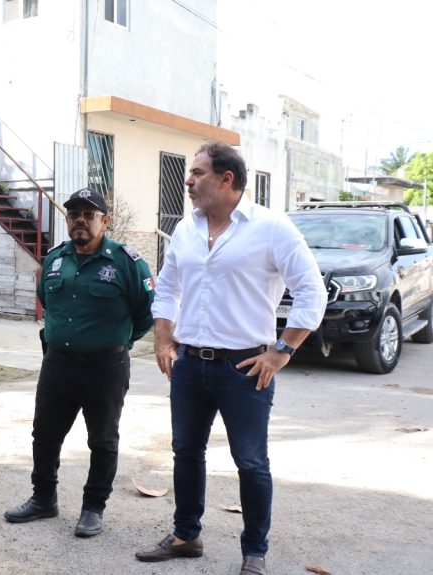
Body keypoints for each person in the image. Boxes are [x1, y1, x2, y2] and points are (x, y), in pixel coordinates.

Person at [135, 143, 325, 575]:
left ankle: (254, 551)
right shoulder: (186, 228)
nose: (188, 181)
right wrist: (163, 337)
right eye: (190, 173)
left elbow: (311, 290)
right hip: (189, 364)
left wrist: (282, 351)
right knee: (186, 451)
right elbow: (168, 287)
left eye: (198, 173)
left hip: (244, 368)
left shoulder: (271, 228)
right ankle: (186, 535)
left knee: (251, 462)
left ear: (227, 179)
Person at [4, 187, 155, 537]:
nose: (80, 221)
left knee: (102, 440)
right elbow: (46, 301)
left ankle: (93, 508)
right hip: (57, 364)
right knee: (44, 434)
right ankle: (43, 499)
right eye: (74, 215)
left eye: (89, 215)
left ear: (105, 221)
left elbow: (147, 313)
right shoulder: (55, 259)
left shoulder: (127, 263)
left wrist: (121, 342)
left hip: (105, 368)